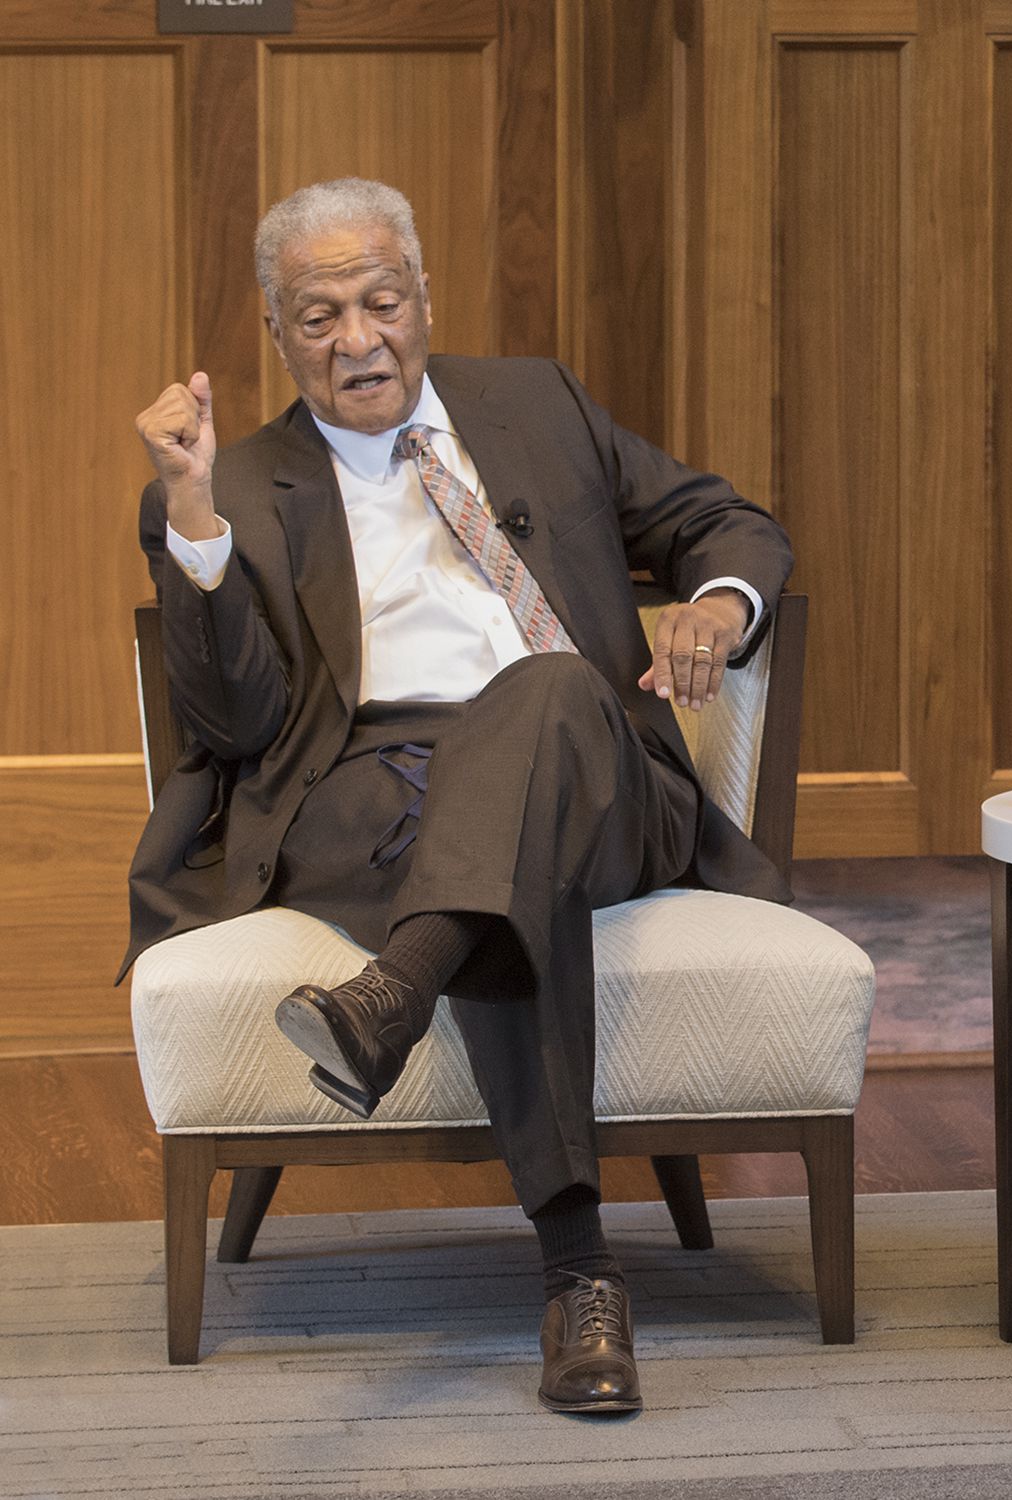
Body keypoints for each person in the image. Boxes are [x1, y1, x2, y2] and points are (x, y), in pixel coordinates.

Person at [123, 178, 792, 1416]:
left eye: (381, 301)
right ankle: (579, 1276)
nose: (359, 339)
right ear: (277, 335)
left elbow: (726, 520)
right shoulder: (241, 483)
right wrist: (193, 519)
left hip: (587, 757)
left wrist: (715, 604)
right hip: (372, 785)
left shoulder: (534, 402)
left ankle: (389, 996)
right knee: (487, 852)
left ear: (423, 298)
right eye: (319, 318)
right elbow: (239, 730)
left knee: (538, 698)